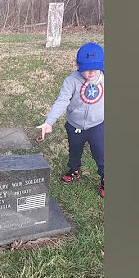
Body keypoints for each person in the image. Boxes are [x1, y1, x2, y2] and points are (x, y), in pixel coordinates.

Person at [36, 42, 105, 197]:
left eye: (95, 68)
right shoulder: (71, 81)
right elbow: (62, 101)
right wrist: (49, 121)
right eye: (86, 68)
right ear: (77, 65)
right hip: (75, 126)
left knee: (101, 154)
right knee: (74, 151)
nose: (91, 72)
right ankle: (74, 169)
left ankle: (104, 176)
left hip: (97, 125)